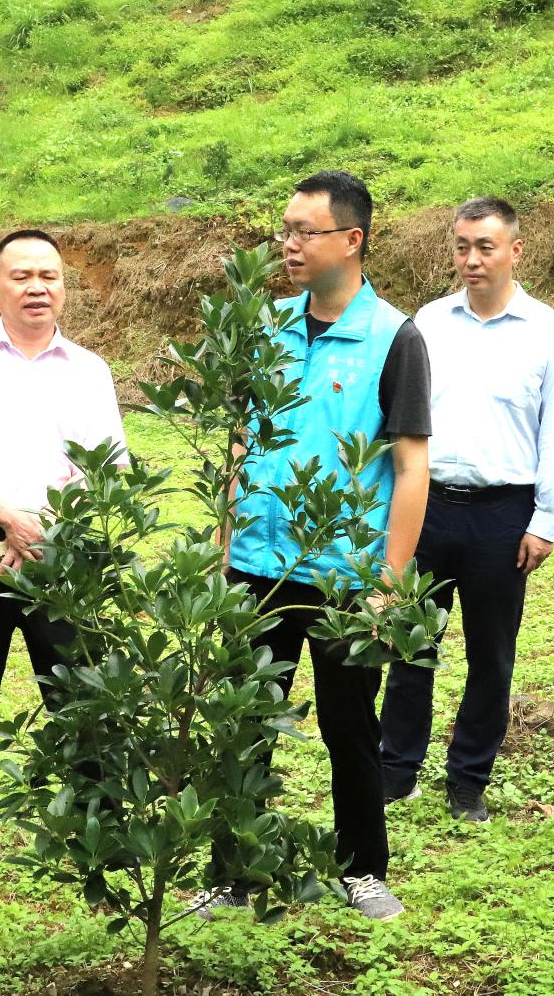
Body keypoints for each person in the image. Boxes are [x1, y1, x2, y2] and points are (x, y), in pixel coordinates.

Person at [196, 169, 431, 923]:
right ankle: (230, 872)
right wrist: (225, 546)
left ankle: (361, 868)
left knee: (349, 727)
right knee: (243, 722)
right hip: (257, 568)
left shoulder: (396, 337)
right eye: (286, 230)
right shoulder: (265, 327)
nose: (288, 244)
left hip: (345, 573)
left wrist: (389, 583)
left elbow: (411, 465)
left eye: (305, 232)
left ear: (351, 240)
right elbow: (240, 439)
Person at [0, 228, 127, 884]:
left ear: (63, 288)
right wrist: (9, 520)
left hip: (64, 549)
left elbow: (109, 466)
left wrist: (42, 527)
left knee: (80, 693)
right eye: (21, 275)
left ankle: (97, 826)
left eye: (49, 275)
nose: (37, 287)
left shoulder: (90, 370)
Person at [379, 197, 554, 822]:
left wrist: (546, 518)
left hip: (503, 514)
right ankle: (396, 768)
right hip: (427, 505)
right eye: (462, 245)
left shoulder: (547, 330)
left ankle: (468, 779)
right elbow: (399, 423)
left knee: (492, 655)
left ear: (515, 251)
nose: (471, 259)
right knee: (411, 645)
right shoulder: (427, 323)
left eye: (485, 246)